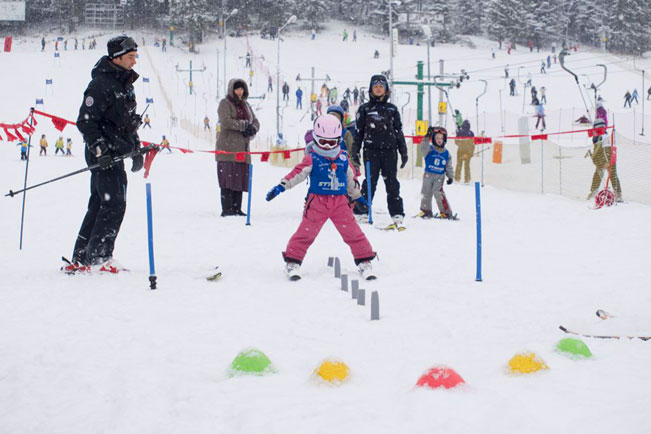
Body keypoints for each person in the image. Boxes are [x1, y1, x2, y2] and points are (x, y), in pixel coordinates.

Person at [265, 114, 376, 281]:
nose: (327, 146)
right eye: (323, 141)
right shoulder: (312, 157)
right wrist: (282, 186)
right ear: (316, 139)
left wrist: (358, 197)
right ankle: (293, 261)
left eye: (332, 142)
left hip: (340, 203)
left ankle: (364, 259)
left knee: (353, 232)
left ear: (339, 140)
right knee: (306, 232)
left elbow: (350, 181)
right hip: (317, 202)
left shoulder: (343, 158)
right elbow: (297, 174)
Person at [68, 35, 145, 272]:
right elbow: (86, 122)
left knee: (101, 202)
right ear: (117, 58)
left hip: (118, 153)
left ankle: (82, 257)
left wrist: (136, 148)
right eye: (130, 57)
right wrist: (100, 149)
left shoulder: (125, 84)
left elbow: (127, 123)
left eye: (135, 57)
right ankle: (99, 257)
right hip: (103, 155)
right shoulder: (100, 85)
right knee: (114, 204)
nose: (134, 62)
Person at [351, 74, 408, 228]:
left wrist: (403, 151)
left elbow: (398, 131)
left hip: (390, 150)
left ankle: (397, 213)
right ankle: (362, 211)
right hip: (371, 150)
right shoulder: (365, 109)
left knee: (392, 183)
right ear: (371, 89)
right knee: (370, 182)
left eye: (381, 86)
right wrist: (355, 151)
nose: (378, 89)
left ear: (386, 90)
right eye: (375, 86)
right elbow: (359, 132)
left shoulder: (392, 109)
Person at [216, 78, 259, 217]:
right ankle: (227, 208)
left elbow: (256, 121)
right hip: (228, 149)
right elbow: (226, 121)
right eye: (237, 89)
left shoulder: (246, 105)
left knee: (239, 178)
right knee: (228, 179)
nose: (239, 92)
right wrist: (243, 126)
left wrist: (253, 128)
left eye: (241, 89)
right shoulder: (225, 103)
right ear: (232, 90)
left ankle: (237, 208)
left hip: (242, 149)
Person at [416, 127, 455, 219]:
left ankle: (446, 212)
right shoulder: (429, 149)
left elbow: (448, 166)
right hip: (428, 175)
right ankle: (426, 211)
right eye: (437, 138)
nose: (439, 140)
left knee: (438, 192)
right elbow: (422, 149)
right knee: (426, 192)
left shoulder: (446, 153)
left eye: (441, 138)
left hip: (439, 176)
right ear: (433, 139)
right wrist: (426, 138)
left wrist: (450, 176)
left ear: (444, 139)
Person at [587, 118, 622, 202]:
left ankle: (618, 194)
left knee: (613, 176)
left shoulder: (604, 137)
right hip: (600, 160)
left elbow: (607, 149)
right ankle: (593, 191)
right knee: (597, 176)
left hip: (607, 160)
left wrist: (607, 161)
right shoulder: (597, 137)